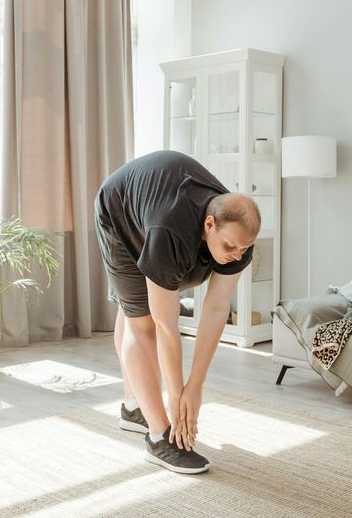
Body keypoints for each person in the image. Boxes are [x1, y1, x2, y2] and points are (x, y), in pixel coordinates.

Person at [94, 150, 260, 474]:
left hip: (153, 205)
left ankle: (133, 406)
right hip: (119, 213)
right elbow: (166, 326)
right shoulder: (171, 230)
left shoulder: (238, 239)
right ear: (209, 224)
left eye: (243, 249)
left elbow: (215, 310)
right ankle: (158, 438)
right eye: (229, 247)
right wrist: (175, 397)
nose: (237, 255)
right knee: (141, 323)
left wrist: (195, 386)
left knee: (136, 311)